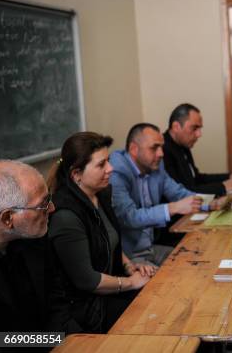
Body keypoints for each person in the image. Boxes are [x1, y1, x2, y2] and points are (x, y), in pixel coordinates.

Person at [47, 132, 156, 333]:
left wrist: (129, 266)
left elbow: (108, 238)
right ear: (76, 174)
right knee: (153, 315)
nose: (111, 169)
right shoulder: (66, 217)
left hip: (109, 291)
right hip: (88, 309)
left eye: (109, 161)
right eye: (101, 164)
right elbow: (88, 280)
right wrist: (131, 282)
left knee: (157, 293)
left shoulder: (100, 193)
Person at [109, 123, 202, 266]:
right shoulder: (117, 172)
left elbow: (178, 192)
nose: (161, 153)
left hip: (152, 248)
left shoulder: (155, 165)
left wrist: (208, 202)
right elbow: (129, 217)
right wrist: (172, 208)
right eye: (154, 148)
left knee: (196, 261)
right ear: (134, 149)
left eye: (161, 147)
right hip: (130, 257)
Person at [0, 160, 56, 333]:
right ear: (8, 218)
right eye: (43, 204)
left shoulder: (34, 235)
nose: (52, 208)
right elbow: (2, 341)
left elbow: (58, 300)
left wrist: (66, 341)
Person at [163, 103, 232, 196]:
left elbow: (197, 179)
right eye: (194, 128)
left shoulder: (183, 144)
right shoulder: (163, 151)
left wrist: (229, 177)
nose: (199, 134)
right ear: (176, 127)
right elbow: (183, 192)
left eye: (199, 128)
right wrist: (222, 187)